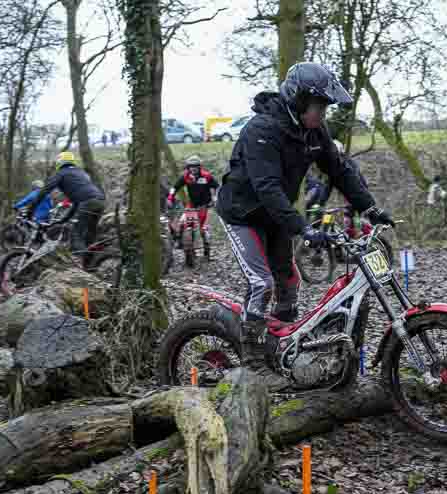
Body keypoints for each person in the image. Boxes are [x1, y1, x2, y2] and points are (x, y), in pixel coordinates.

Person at [215, 61, 394, 389]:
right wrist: (302, 227)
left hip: (274, 214)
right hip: (242, 214)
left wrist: (369, 208)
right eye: (319, 106)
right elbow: (266, 187)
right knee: (262, 283)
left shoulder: (313, 131)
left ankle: (279, 349)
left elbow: (339, 169)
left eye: (325, 107)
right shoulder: (261, 130)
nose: (322, 114)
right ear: (298, 100)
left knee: (289, 281)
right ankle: (253, 363)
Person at [27, 151, 106, 256]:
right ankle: (92, 263)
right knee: (89, 235)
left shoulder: (61, 173)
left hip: (87, 203)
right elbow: (77, 203)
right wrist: (63, 220)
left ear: (59, 162)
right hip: (100, 202)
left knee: (75, 235)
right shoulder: (81, 173)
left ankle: (80, 264)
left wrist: (30, 209)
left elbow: (44, 191)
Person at [167, 155, 219, 253]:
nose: (193, 169)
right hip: (192, 204)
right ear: (188, 167)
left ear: (199, 167)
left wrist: (215, 198)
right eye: (191, 167)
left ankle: (206, 243)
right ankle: (181, 241)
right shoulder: (185, 177)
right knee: (185, 223)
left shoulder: (206, 176)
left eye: (195, 166)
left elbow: (216, 186)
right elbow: (175, 187)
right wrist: (170, 197)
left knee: (202, 227)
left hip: (204, 204)